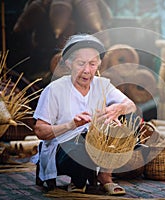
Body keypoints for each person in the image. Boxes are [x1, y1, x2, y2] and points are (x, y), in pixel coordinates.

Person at [33, 33, 137, 195]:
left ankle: (105, 176)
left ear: (99, 64)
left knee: (125, 121)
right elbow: (40, 131)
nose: (87, 70)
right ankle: (78, 180)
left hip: (94, 148)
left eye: (92, 64)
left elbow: (130, 105)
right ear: (68, 63)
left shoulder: (102, 85)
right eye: (81, 63)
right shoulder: (55, 89)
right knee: (81, 145)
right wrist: (71, 125)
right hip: (65, 149)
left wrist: (118, 109)